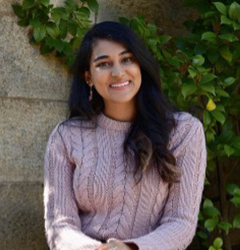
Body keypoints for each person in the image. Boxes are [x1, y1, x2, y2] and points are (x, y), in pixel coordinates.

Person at [43, 21, 207, 250]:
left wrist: (129, 248)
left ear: (140, 65)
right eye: (104, 64)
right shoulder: (66, 137)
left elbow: (180, 223)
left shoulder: (184, 131)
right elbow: (60, 224)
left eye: (127, 59)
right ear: (88, 77)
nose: (118, 72)